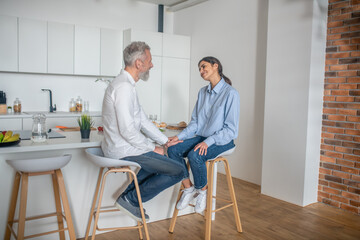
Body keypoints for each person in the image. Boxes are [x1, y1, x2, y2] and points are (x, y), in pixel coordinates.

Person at [101, 41, 186, 222]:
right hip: (122, 150)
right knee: (179, 171)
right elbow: (127, 130)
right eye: (149, 60)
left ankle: (128, 199)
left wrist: (164, 141)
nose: (152, 65)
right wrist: (150, 147)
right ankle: (130, 199)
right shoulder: (123, 88)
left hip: (123, 147)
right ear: (139, 64)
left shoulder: (127, 85)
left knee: (161, 157)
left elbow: (141, 119)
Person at [167, 56, 240, 214]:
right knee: (172, 150)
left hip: (222, 140)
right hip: (202, 137)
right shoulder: (202, 93)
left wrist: (209, 142)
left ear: (215, 66)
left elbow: (231, 130)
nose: (201, 71)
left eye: (203, 67)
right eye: (199, 69)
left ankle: (202, 191)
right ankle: (189, 188)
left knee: (195, 155)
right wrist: (179, 137)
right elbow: (195, 123)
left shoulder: (231, 94)